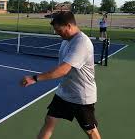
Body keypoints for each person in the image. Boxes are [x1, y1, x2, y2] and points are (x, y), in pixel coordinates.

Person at [21, 11, 101, 139]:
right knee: (49, 121)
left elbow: (63, 70)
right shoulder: (66, 40)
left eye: (59, 30)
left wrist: (34, 78)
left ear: (69, 25)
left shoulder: (82, 43)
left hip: (81, 96)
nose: (58, 34)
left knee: (90, 131)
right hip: (64, 92)